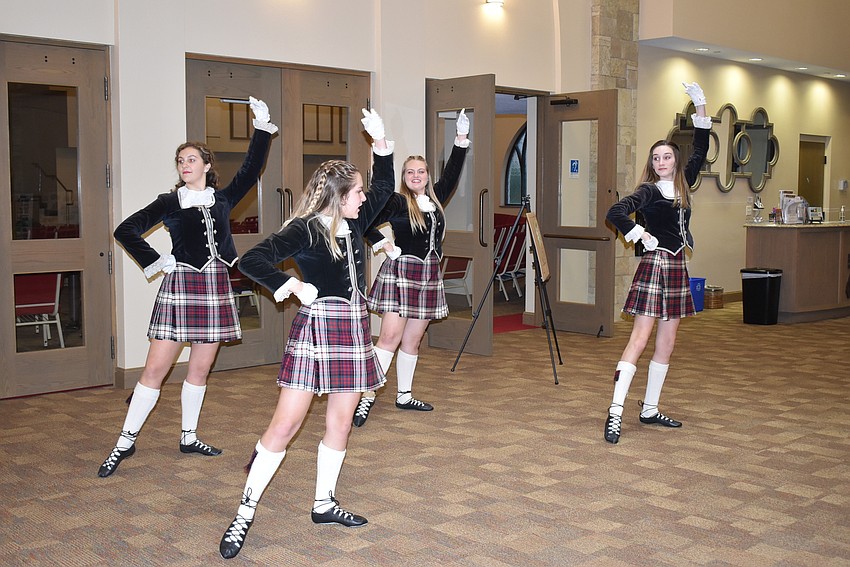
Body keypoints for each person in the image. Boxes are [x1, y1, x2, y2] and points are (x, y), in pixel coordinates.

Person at [218, 109, 394, 560]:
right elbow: (250, 260)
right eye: (356, 193)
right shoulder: (304, 229)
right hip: (317, 331)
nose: (362, 199)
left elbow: (386, 189)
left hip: (353, 331)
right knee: (286, 424)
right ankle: (244, 510)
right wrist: (289, 284)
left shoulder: (354, 223)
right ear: (337, 196)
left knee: (339, 423)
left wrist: (382, 144)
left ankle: (323, 502)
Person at [98, 97, 277, 477]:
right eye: (181, 160)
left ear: (207, 166)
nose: (185, 165)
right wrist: (155, 260)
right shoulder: (169, 201)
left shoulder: (223, 197)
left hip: (214, 286)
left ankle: (189, 435)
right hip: (181, 286)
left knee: (200, 369)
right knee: (155, 370)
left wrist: (261, 128)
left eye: (192, 159)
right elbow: (124, 230)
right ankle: (124, 442)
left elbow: (251, 169)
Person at [603, 82, 711, 444]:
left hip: (678, 267)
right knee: (640, 337)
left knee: (667, 342)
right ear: (651, 164)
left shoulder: (684, 183)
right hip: (656, 265)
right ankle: (616, 410)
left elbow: (700, 149)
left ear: (675, 161)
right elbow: (615, 211)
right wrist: (638, 234)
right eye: (656, 158)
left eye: (666, 156)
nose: (662, 162)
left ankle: (650, 408)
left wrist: (701, 107)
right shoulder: (648, 190)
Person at [351, 109, 470, 427]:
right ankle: (366, 396)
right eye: (410, 172)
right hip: (402, 274)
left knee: (413, 341)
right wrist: (384, 244)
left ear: (428, 175)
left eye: (421, 172)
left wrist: (460, 141)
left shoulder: (437, 199)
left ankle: (404, 395)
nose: (416, 176)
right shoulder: (395, 201)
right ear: (403, 177)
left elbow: (452, 174)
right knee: (389, 337)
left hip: (429, 276)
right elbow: (364, 223)